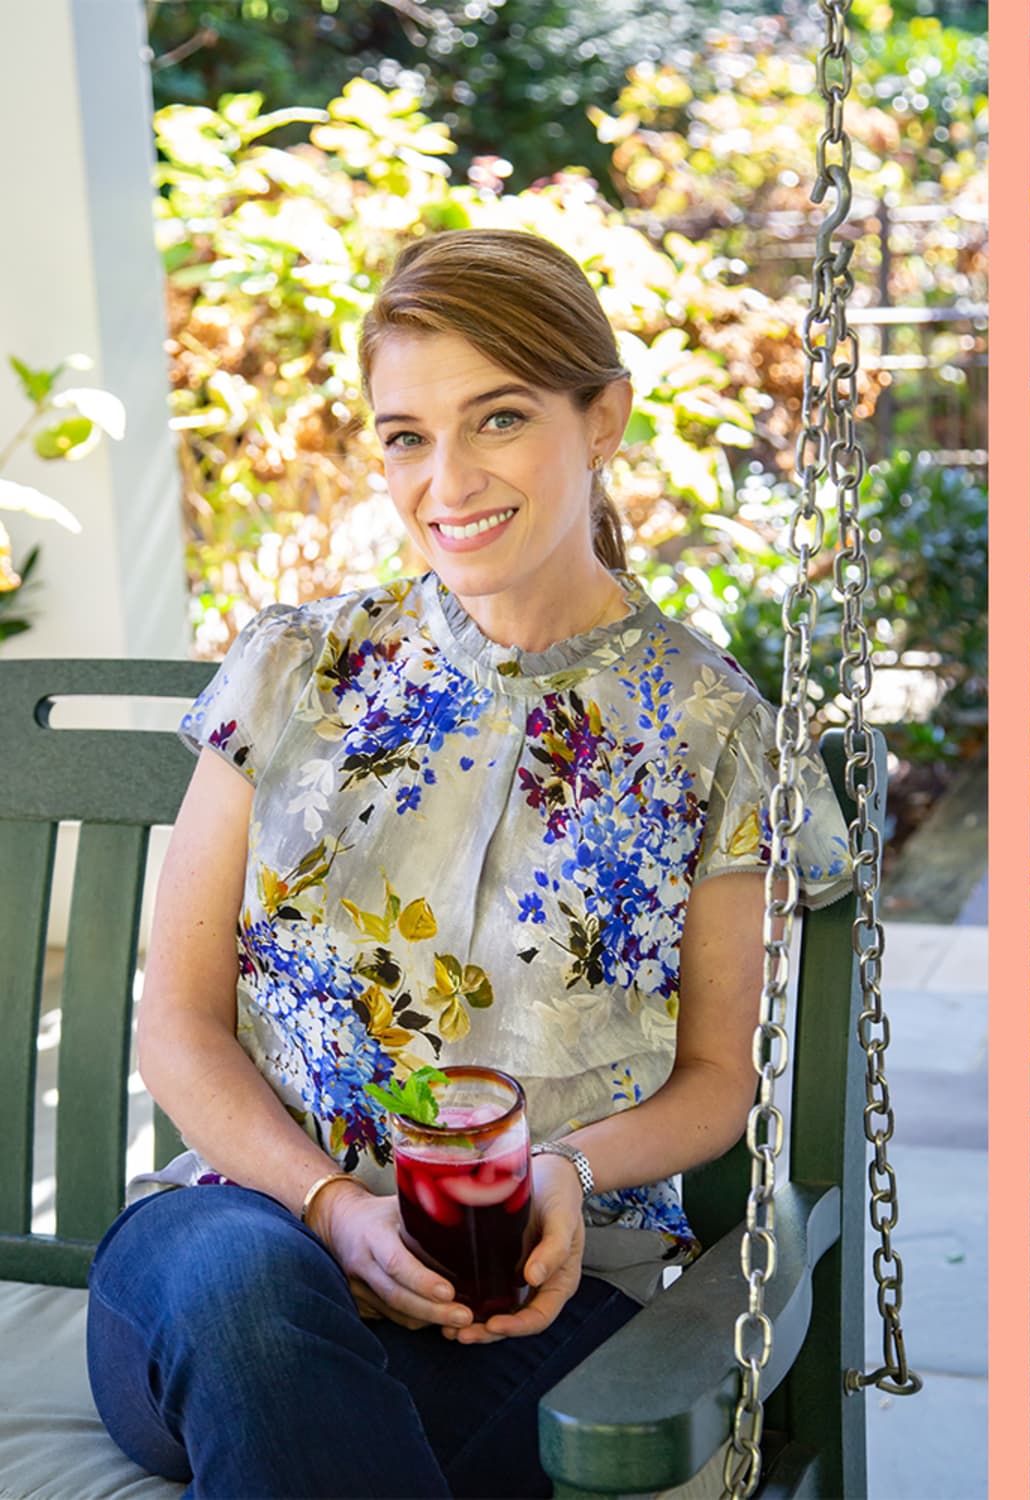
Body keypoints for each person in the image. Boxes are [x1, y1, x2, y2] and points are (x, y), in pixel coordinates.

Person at [83, 227, 853, 1498]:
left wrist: (570, 1168)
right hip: (231, 1250)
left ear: (601, 417)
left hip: (525, 1301)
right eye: (405, 435)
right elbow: (176, 1024)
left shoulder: (719, 739)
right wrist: (335, 1208)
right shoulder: (295, 671)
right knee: (251, 1307)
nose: (446, 479)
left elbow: (721, 1079)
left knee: (369, 1438)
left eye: (497, 419)